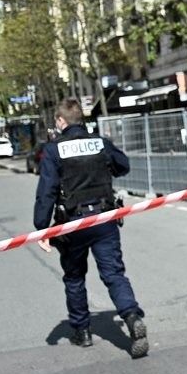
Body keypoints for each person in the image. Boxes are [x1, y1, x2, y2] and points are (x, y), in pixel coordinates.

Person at [34, 98, 149, 359]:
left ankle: (82, 332)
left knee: (74, 277)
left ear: (61, 121)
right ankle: (131, 316)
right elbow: (123, 166)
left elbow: (47, 192)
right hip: (105, 219)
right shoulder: (100, 143)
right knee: (114, 274)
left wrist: (42, 228)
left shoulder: (54, 150)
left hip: (72, 224)